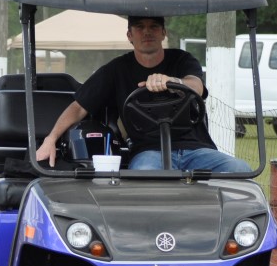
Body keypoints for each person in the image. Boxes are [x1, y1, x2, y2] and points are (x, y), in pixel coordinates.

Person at [36, 15, 250, 172]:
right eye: (140, 27)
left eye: (154, 27)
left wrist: (172, 81)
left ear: (163, 33)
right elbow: (78, 107)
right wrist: (50, 139)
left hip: (196, 149)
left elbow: (196, 86)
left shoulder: (182, 60)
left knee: (240, 170)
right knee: (143, 178)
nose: (147, 32)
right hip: (149, 151)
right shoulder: (116, 70)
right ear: (130, 35)